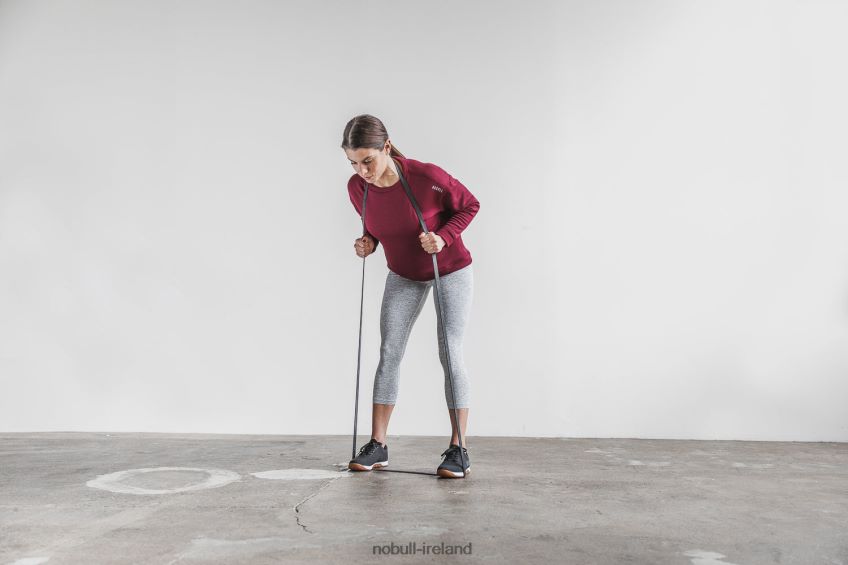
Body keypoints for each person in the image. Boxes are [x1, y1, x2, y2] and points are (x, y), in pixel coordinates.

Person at [342, 114, 480, 478]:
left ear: (386, 147)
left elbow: (470, 205)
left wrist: (443, 237)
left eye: (367, 161)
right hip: (403, 275)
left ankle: (459, 449)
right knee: (389, 352)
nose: (362, 171)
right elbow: (376, 227)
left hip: (449, 270)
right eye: (353, 163)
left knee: (449, 351)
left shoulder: (426, 177)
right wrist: (368, 243)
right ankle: (378, 445)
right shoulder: (358, 188)